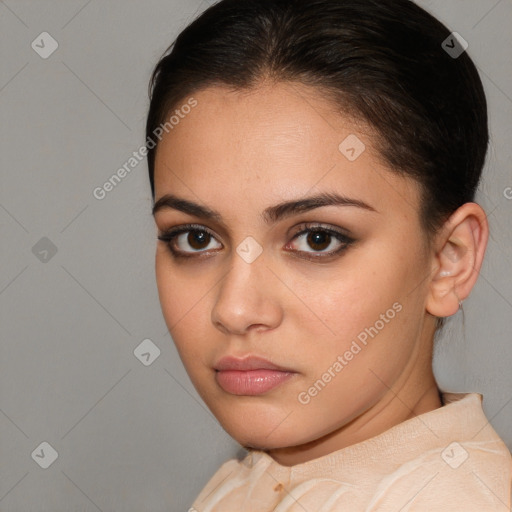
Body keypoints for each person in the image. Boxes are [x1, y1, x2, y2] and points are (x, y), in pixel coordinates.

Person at [145, 0, 512, 509]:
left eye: (318, 239)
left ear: (449, 260)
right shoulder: (241, 489)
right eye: (196, 238)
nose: (234, 309)